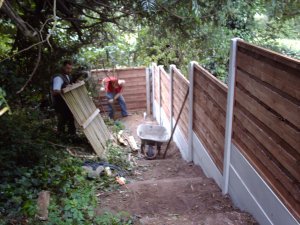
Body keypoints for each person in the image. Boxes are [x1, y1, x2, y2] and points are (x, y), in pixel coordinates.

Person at [50, 60, 76, 137]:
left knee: (70, 118)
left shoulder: (68, 76)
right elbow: (55, 91)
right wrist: (64, 90)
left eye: (71, 68)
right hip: (60, 103)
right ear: (63, 67)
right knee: (63, 120)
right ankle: (61, 136)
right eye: (67, 68)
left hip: (67, 103)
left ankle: (71, 135)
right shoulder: (58, 77)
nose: (69, 70)